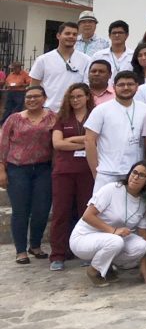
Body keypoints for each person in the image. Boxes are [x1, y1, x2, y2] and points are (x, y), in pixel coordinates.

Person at [69, 162, 146, 286]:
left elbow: (143, 233)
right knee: (115, 241)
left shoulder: (144, 202)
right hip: (84, 238)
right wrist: (113, 230)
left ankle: (106, 265)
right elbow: (87, 216)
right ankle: (94, 271)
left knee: (141, 246)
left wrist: (144, 264)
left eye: (141, 175)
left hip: (111, 239)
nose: (135, 177)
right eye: (134, 172)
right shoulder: (112, 188)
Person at [0, 84, 54, 263]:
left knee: (42, 209)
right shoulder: (14, 119)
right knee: (20, 210)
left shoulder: (53, 118)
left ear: (44, 98)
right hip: (17, 169)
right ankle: (21, 250)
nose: (32, 100)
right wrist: (1, 170)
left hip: (43, 169)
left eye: (36, 96)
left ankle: (35, 245)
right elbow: (3, 145)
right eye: (28, 97)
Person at [48, 83, 95, 270]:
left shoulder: (95, 115)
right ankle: (58, 254)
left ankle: (87, 252)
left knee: (87, 212)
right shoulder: (62, 118)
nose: (75, 100)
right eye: (72, 97)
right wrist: (85, 143)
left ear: (87, 97)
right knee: (61, 212)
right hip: (64, 171)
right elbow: (58, 144)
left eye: (79, 96)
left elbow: (98, 139)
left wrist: (72, 140)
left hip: (88, 170)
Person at [85, 71, 146, 192]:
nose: (126, 87)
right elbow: (89, 140)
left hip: (135, 173)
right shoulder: (101, 109)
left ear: (137, 86)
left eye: (130, 84)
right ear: (114, 87)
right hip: (107, 172)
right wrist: (95, 171)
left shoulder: (145, 109)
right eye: (121, 84)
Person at [29, 22, 91, 112]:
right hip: (48, 111)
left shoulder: (86, 60)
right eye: (67, 33)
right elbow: (34, 86)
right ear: (58, 36)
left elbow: (87, 87)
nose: (71, 36)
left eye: (74, 34)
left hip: (74, 112)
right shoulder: (43, 60)